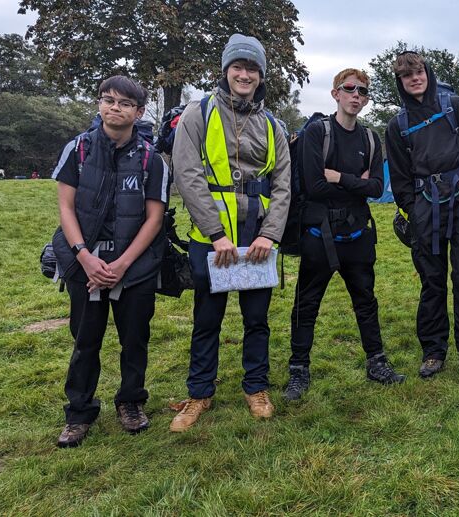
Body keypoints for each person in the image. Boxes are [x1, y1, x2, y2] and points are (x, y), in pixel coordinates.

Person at [170, 34, 291, 431]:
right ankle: (199, 393)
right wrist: (216, 233)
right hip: (211, 242)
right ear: (225, 70)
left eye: (252, 69)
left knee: (257, 319)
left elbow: (283, 185)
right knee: (207, 319)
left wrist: (269, 235)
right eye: (238, 66)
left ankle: (256, 387)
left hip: (257, 239)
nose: (244, 74)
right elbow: (187, 174)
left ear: (261, 76)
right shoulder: (198, 113)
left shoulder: (273, 125)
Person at [51, 75, 170, 447]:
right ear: (99, 103)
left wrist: (122, 265)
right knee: (85, 339)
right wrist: (84, 257)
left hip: (135, 267)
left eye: (124, 103)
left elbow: (154, 219)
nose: (114, 108)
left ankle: (131, 402)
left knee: (135, 339)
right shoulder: (77, 150)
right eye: (108, 100)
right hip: (84, 264)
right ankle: (79, 412)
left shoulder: (152, 159)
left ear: (139, 111)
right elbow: (65, 208)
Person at [283, 68, 405, 401]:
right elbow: (314, 186)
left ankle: (376, 362)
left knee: (366, 301)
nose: (356, 95)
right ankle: (298, 370)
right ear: (336, 93)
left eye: (362, 91)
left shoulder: (370, 139)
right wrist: (357, 183)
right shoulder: (317, 133)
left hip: (358, 235)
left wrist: (339, 177)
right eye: (350, 89)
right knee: (306, 304)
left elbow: (377, 187)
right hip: (318, 235)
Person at [385, 51, 459, 378]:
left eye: (419, 72)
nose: (415, 79)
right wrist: (413, 210)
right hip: (425, 207)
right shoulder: (397, 125)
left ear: (428, 73)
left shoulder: (455, 106)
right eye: (407, 76)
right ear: (400, 82)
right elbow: (400, 177)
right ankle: (433, 351)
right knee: (432, 282)